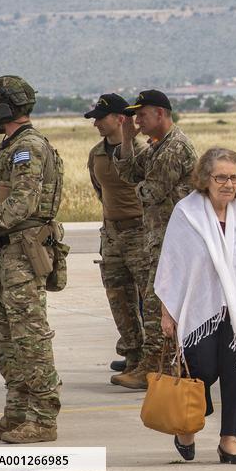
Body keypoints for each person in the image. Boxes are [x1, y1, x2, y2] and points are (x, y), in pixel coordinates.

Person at [156, 148, 236, 465]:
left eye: (233, 177)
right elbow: (172, 262)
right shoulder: (187, 213)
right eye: (220, 177)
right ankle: (188, 422)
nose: (228, 184)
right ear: (205, 179)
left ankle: (230, 441)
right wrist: (167, 311)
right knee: (202, 370)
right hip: (200, 308)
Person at [0, 76, 64, 444]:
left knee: (29, 336)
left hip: (24, 252)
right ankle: (17, 412)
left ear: (5, 108)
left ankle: (42, 418)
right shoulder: (11, 147)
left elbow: (22, 203)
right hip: (8, 252)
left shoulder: (28, 148)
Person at [110, 89, 197, 389]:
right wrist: (126, 137)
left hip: (173, 241)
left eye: (142, 115)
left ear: (160, 113)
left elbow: (150, 191)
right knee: (155, 302)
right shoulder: (159, 146)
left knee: (157, 305)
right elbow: (129, 173)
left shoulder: (174, 148)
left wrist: (132, 193)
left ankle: (158, 368)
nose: (138, 120)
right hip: (159, 239)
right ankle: (158, 366)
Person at [85, 93, 147, 374]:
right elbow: (101, 191)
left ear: (121, 119)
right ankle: (133, 356)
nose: (96, 122)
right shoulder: (96, 154)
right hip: (111, 235)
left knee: (152, 298)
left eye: (101, 117)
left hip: (141, 232)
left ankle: (154, 359)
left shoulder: (143, 151)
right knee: (119, 299)